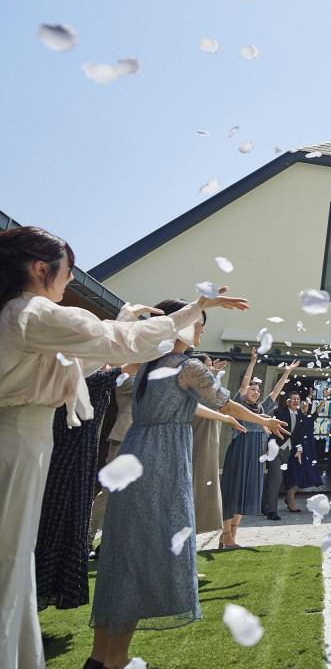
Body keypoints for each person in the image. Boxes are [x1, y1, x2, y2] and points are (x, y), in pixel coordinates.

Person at [0, 225, 217, 669]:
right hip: (17, 441)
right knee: (9, 562)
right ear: (42, 269)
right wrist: (192, 309)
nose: (70, 280)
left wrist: (120, 323)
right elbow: (118, 345)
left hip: (28, 438)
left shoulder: (26, 316)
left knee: (15, 562)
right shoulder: (33, 312)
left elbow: (90, 354)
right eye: (68, 270)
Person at [88, 300, 289, 669]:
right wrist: (264, 422)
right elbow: (226, 402)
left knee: (122, 553)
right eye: (197, 323)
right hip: (160, 464)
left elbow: (197, 405)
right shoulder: (188, 366)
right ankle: (116, 660)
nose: (200, 331)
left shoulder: (147, 364)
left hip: (135, 452)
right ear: (175, 326)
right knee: (143, 556)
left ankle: (100, 656)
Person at [35, 366, 121, 611]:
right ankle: (35, 596)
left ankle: (39, 596)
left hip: (77, 455)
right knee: (57, 524)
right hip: (70, 457)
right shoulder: (90, 376)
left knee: (65, 524)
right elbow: (131, 363)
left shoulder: (91, 374)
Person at [221, 349, 298, 535]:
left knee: (245, 493)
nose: (255, 392)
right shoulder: (239, 405)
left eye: (257, 390)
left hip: (256, 453)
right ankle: (225, 534)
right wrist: (253, 362)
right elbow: (244, 383)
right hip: (240, 450)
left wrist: (287, 373)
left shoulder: (261, 408)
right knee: (233, 491)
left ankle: (233, 534)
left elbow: (275, 392)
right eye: (252, 389)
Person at [88, 371, 136, 558]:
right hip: (124, 439)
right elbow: (147, 385)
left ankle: (110, 544)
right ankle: (86, 540)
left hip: (145, 441)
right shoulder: (127, 377)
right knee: (108, 493)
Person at [188, 352, 228, 536]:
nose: (212, 368)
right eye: (208, 365)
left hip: (209, 437)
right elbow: (220, 402)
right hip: (197, 437)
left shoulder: (207, 386)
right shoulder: (194, 387)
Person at [283, 388, 329, 510]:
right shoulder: (296, 417)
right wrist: (309, 395)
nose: (304, 404)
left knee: (303, 473)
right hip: (298, 449)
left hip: (308, 449)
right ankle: (291, 501)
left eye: (306, 403)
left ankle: (289, 499)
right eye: (302, 403)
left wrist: (324, 397)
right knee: (295, 473)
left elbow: (318, 410)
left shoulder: (309, 418)